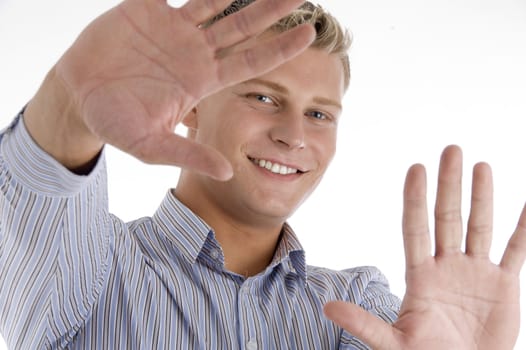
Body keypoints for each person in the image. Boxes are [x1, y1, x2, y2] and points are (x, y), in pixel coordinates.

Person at [0, 0, 525, 348]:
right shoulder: (91, 269)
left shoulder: (356, 311)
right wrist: (71, 100)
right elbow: (39, 189)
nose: (294, 135)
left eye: (320, 114)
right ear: (190, 105)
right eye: (263, 97)